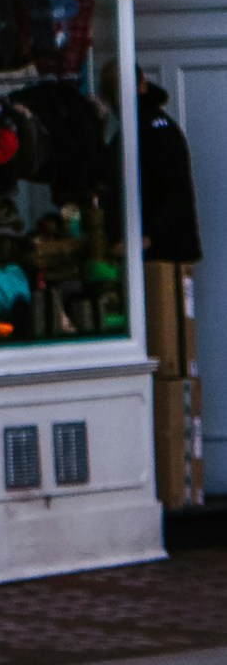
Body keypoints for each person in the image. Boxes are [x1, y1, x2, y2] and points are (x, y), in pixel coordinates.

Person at [142, 75, 203, 517]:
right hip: (167, 246)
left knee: (174, 361)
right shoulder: (151, 126)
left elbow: (171, 192)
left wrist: (149, 236)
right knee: (175, 366)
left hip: (163, 250)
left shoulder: (154, 130)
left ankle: (182, 485)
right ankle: (184, 484)